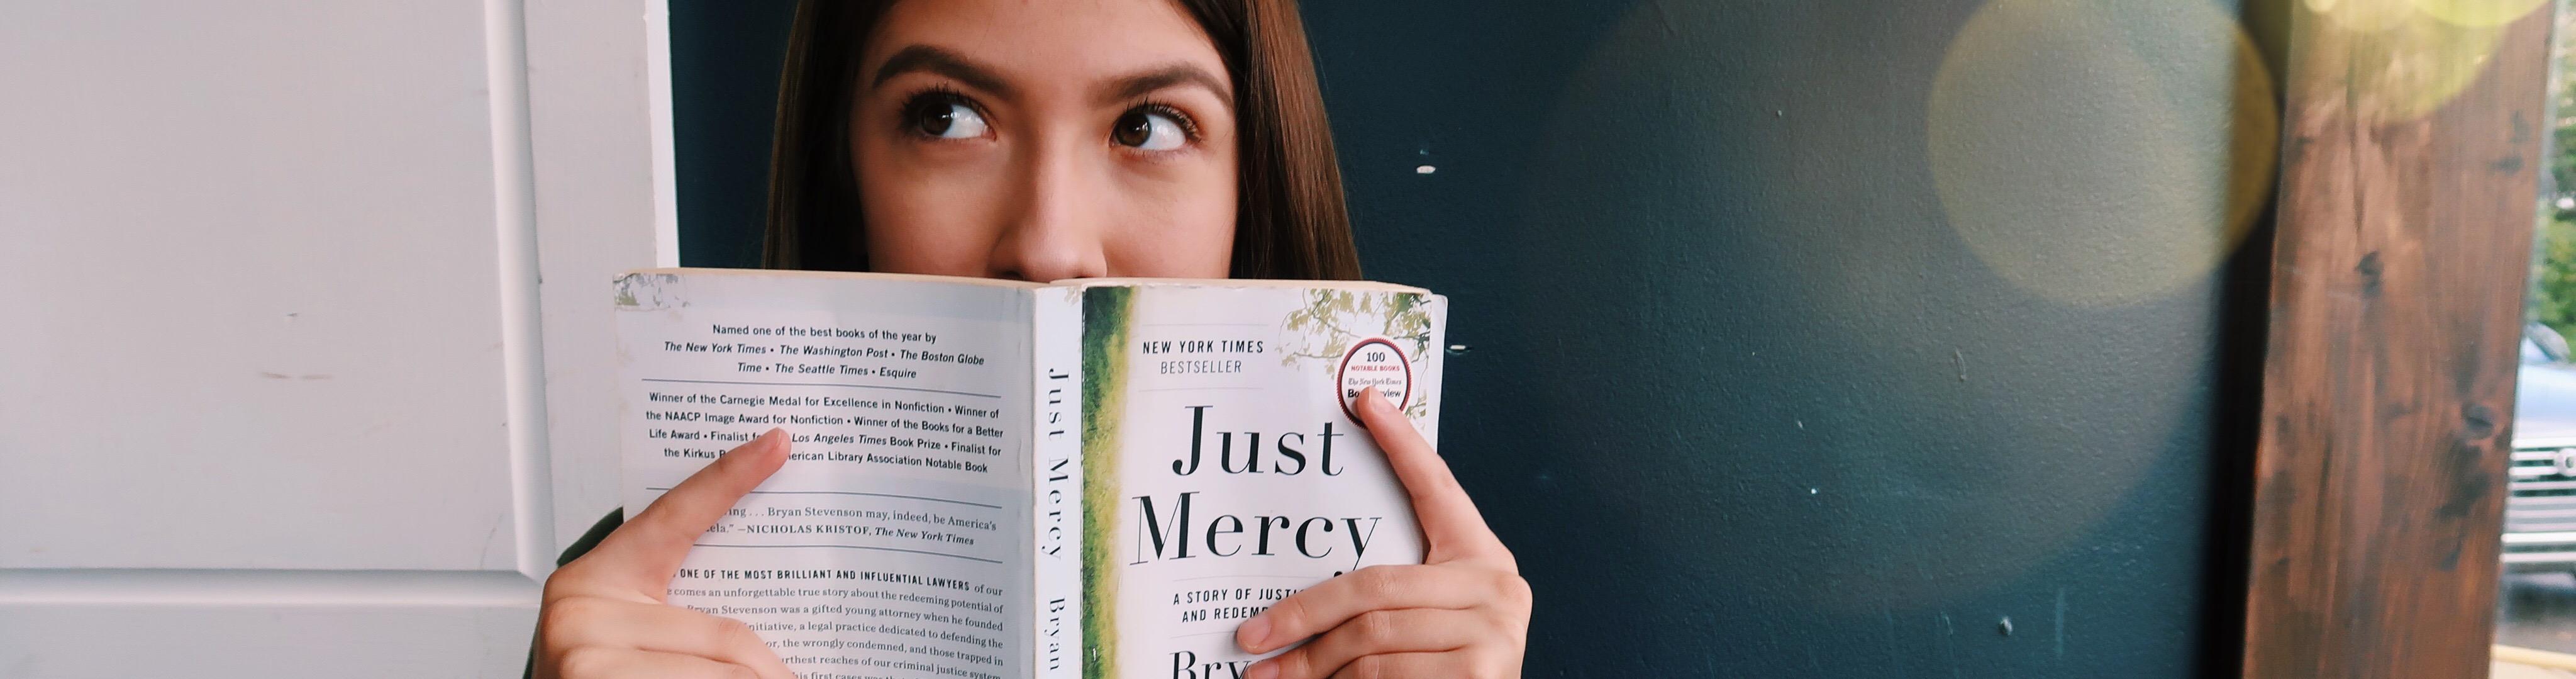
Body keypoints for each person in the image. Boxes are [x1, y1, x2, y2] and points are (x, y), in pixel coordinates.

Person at [530, 1, 1531, 677]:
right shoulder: (638, 603)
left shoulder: (1402, 598)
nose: (1051, 247)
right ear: (845, 168)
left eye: (1145, 126)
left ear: (1251, 177)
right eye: (948, 116)